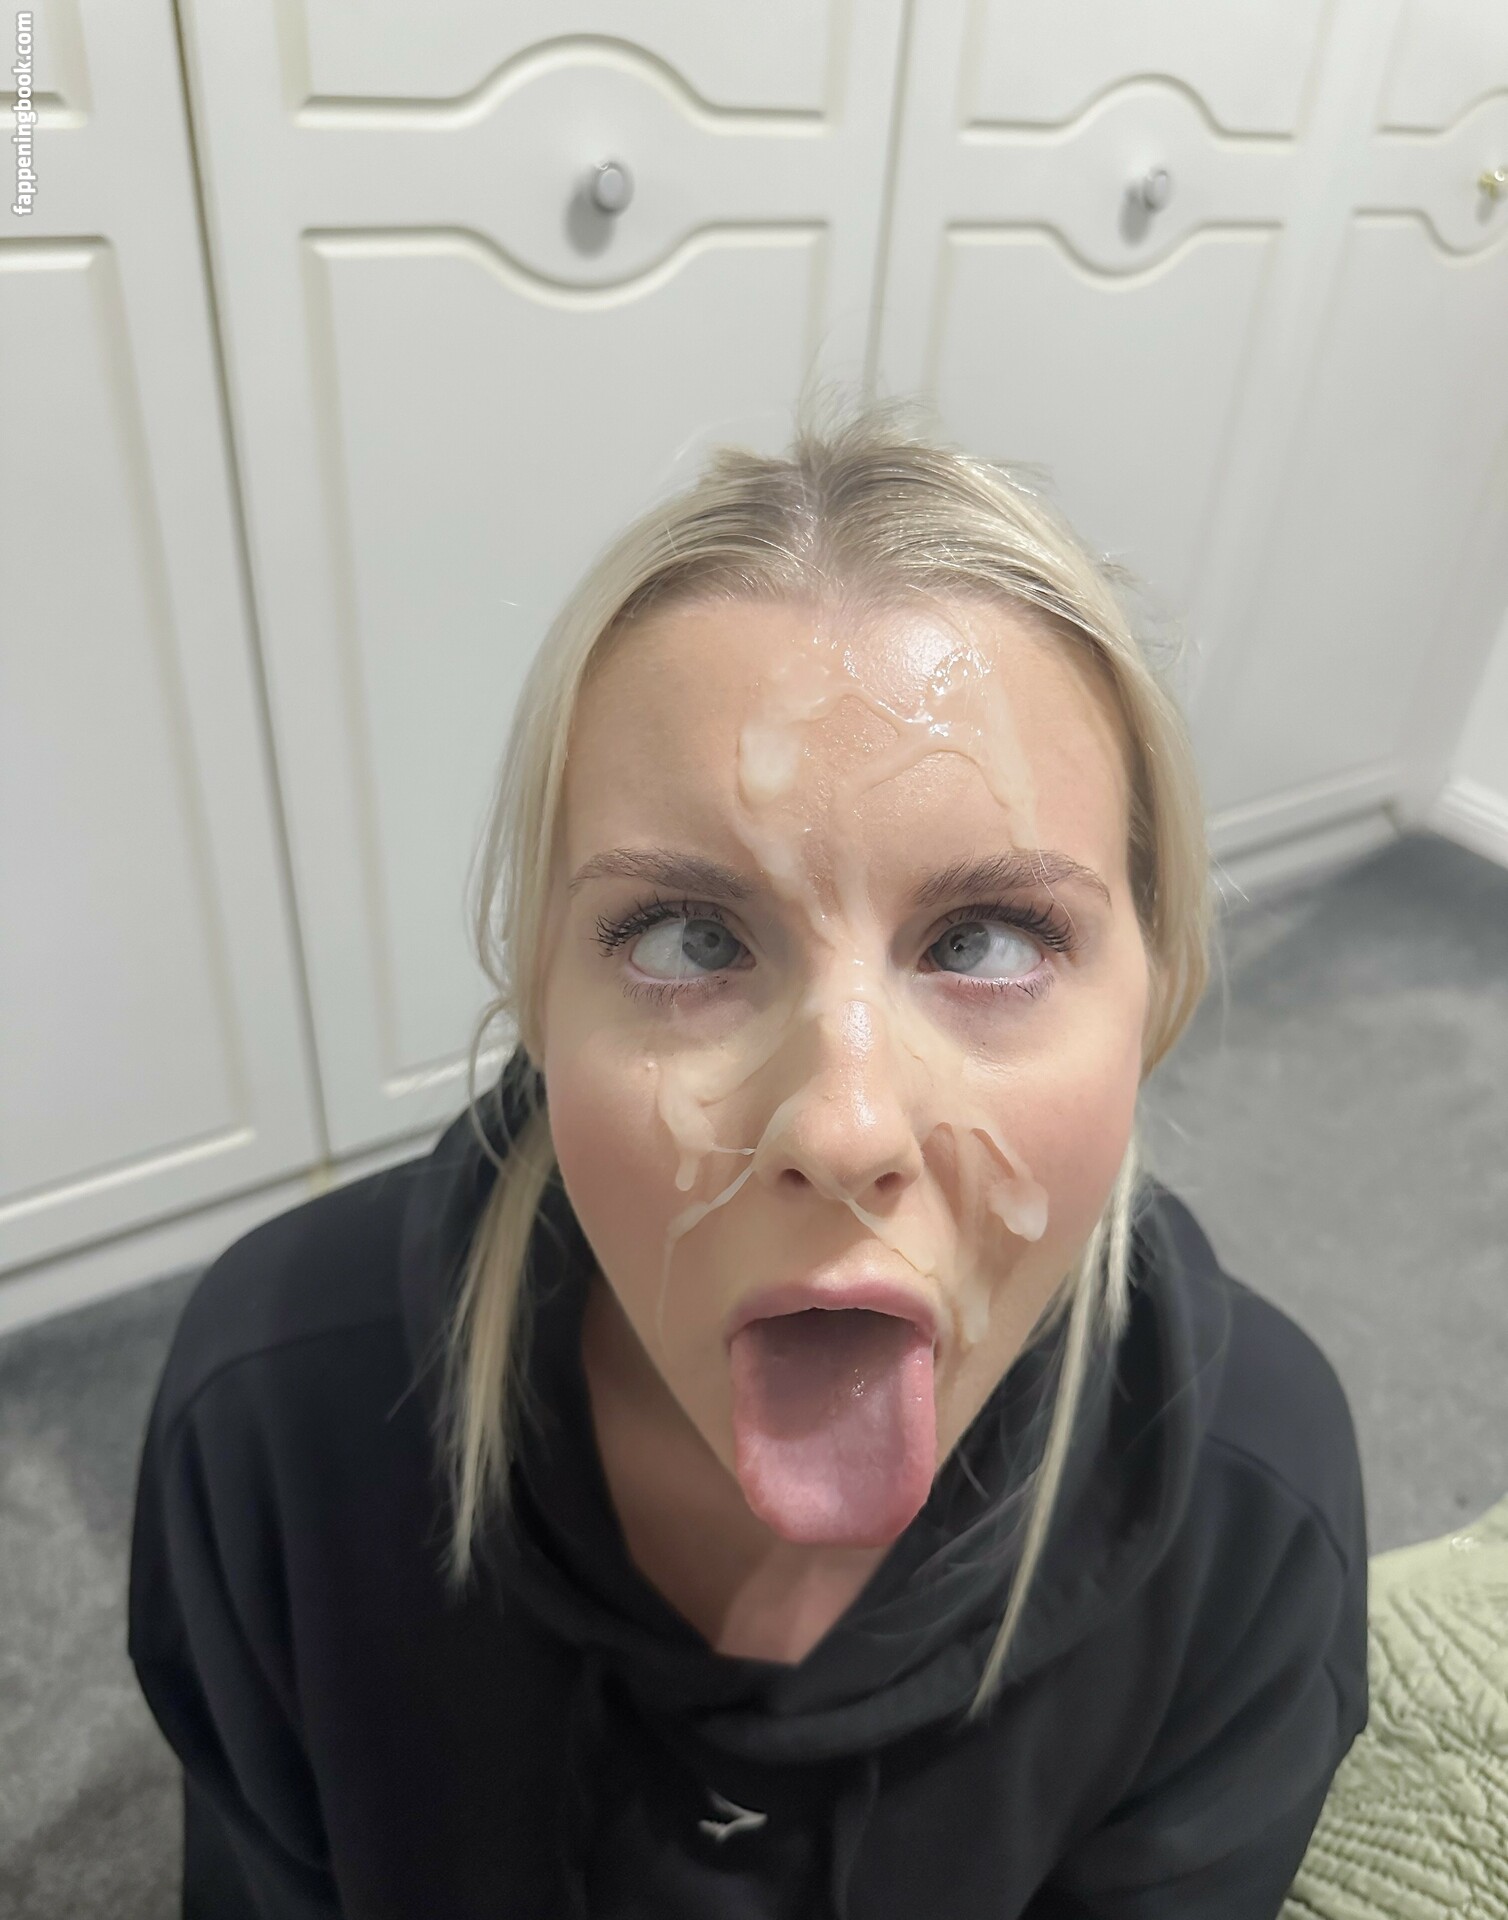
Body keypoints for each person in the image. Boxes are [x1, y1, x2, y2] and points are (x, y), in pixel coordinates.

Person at [127, 389, 1370, 1919]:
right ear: (537, 992)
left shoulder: (1253, 1511)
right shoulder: (270, 1420)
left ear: (1156, 1002)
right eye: (688, 938)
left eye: (988, 938)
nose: (843, 1128)